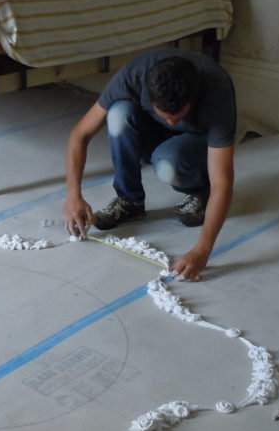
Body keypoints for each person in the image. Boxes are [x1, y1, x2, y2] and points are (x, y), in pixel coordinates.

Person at [62, 48, 236, 282]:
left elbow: (223, 183)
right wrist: (74, 195)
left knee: (167, 164)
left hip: (193, 143)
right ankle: (129, 201)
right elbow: (79, 135)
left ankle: (198, 193)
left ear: (192, 100)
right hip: (152, 133)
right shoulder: (133, 76)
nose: (172, 121)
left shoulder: (217, 92)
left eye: (178, 116)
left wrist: (202, 250)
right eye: (165, 115)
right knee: (118, 113)